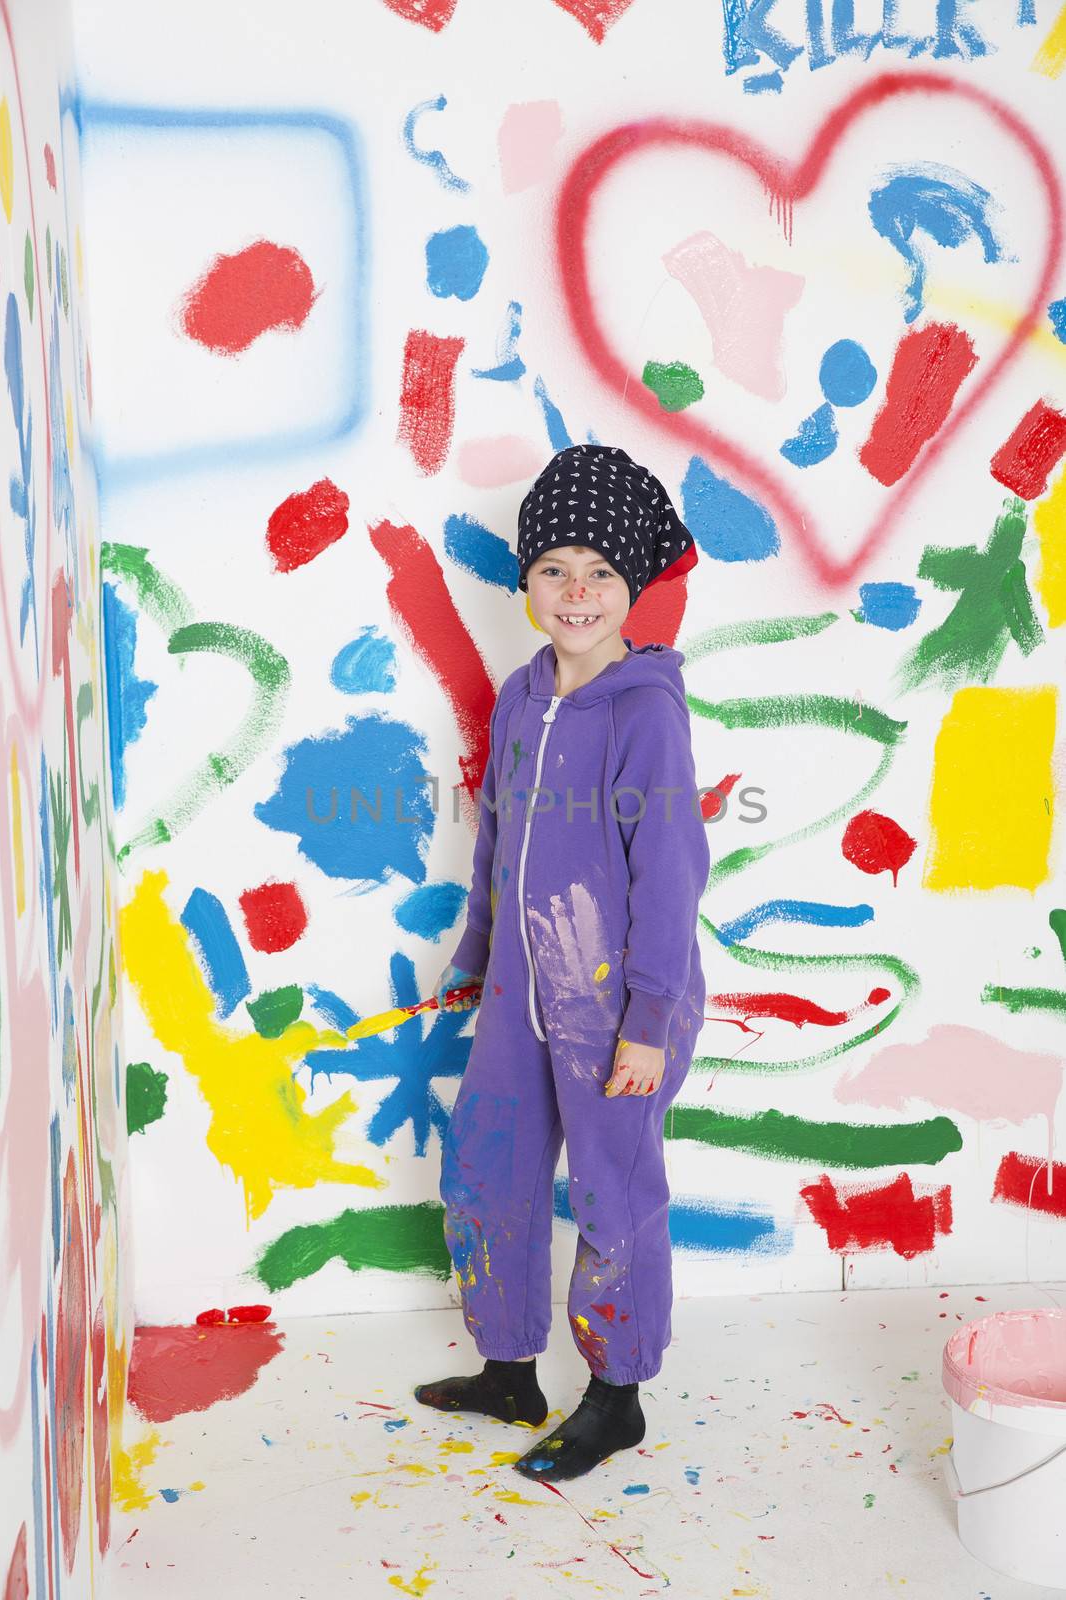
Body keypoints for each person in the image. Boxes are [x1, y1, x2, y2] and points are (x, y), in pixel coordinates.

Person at [414, 443, 709, 1482]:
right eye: (553, 571)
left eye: (599, 575)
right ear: (526, 581)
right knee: (487, 1167)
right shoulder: (519, 693)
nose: (574, 594)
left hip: (616, 1007)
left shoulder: (643, 713)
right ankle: (508, 1370)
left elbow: (671, 877)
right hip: (516, 993)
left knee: (611, 1195)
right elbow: (497, 835)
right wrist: (476, 952)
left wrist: (646, 1018)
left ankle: (616, 1393)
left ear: (629, 587)